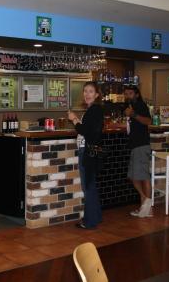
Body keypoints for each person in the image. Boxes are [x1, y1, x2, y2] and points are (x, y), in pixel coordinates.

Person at [68, 81, 103, 229]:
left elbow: (85, 131)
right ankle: (95, 217)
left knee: (87, 187)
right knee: (90, 186)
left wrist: (74, 119)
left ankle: (89, 221)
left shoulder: (94, 110)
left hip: (87, 152)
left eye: (90, 91)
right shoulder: (93, 110)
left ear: (96, 95)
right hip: (89, 151)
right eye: (85, 91)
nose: (87, 94)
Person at [124, 85, 153, 218]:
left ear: (136, 94)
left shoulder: (140, 105)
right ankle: (146, 204)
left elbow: (148, 121)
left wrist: (133, 114)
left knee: (143, 176)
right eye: (126, 94)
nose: (128, 96)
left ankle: (146, 208)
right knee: (134, 176)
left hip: (141, 145)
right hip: (136, 145)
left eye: (130, 93)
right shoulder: (132, 106)